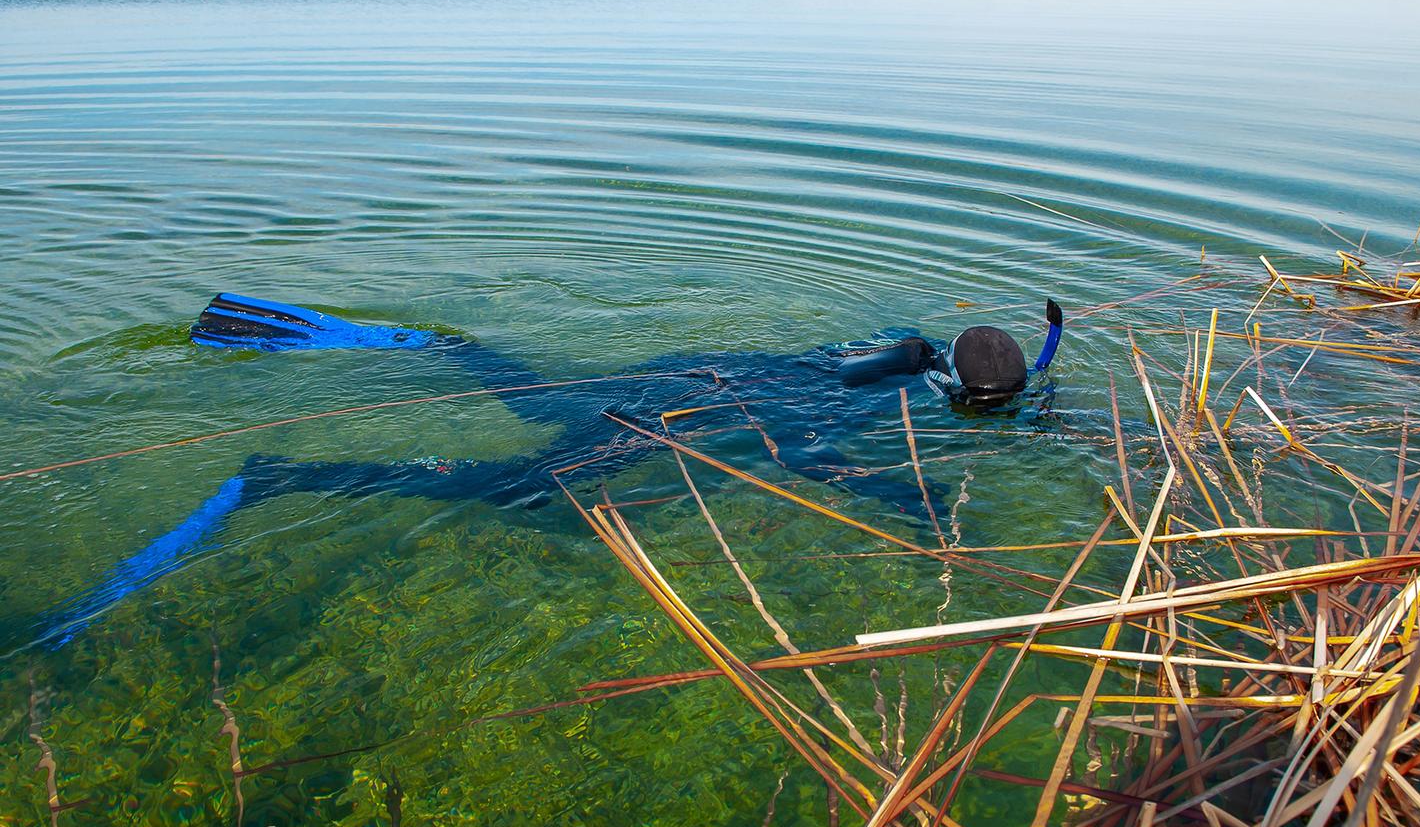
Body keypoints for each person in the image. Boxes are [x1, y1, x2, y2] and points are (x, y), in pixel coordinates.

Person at [30, 293, 1062, 645]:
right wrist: (890, 494)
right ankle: (279, 475)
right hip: (668, 418)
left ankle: (407, 339)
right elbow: (801, 446)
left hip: (669, 376)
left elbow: (887, 348)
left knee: (509, 381)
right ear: (984, 404)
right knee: (521, 496)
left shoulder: (905, 351)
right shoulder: (909, 388)